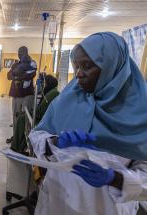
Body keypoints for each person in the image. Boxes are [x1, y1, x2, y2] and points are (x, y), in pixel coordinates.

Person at [29, 32, 147, 215]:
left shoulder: (141, 112)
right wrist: (54, 142)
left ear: (112, 66)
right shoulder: (67, 98)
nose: (79, 74)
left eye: (87, 66)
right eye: (76, 66)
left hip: (105, 207)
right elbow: (36, 134)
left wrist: (115, 178)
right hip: (56, 201)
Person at [6, 46, 37, 149]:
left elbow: (30, 75)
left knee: (27, 118)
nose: (20, 54)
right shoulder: (16, 64)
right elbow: (9, 76)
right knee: (15, 117)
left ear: (27, 52)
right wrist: (18, 74)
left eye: (22, 52)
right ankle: (16, 138)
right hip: (16, 94)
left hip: (27, 95)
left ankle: (27, 140)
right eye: (19, 52)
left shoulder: (32, 63)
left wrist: (16, 74)